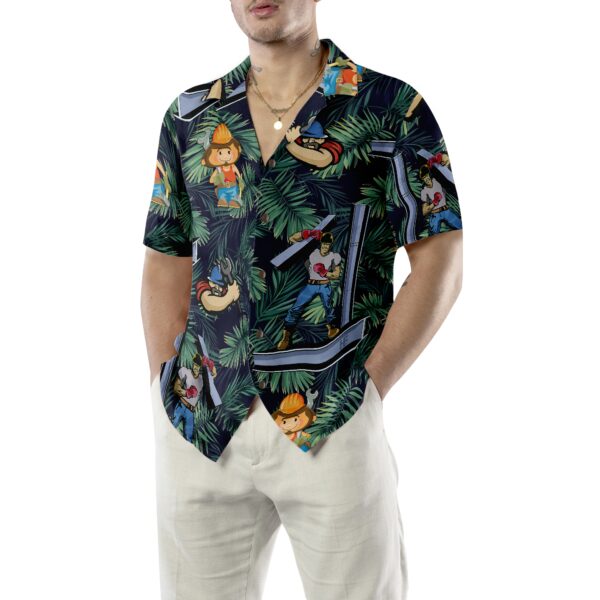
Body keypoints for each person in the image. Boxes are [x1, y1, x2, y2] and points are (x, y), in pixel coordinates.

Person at [140, 1, 463, 598]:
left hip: (331, 414)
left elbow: (440, 257)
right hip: (201, 422)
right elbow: (166, 258)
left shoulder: (391, 108)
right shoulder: (190, 116)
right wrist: (165, 382)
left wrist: (371, 387)